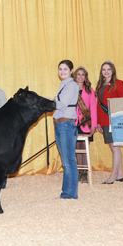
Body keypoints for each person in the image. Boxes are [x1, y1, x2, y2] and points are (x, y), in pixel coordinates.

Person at [47, 60, 79, 199]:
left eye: (65, 69)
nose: (62, 71)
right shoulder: (64, 85)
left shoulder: (71, 85)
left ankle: (70, 194)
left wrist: (48, 101)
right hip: (60, 124)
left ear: (71, 71)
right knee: (66, 161)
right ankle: (67, 192)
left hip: (66, 125)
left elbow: (61, 105)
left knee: (68, 161)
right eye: (60, 69)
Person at [95, 60, 123, 184]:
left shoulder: (119, 83)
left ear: (112, 71)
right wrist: (98, 122)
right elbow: (99, 105)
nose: (106, 71)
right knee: (115, 147)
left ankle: (113, 176)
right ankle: (121, 175)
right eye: (104, 69)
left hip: (114, 119)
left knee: (115, 147)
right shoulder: (101, 84)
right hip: (104, 120)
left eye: (108, 69)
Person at [73, 66, 97, 183]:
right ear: (75, 76)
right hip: (74, 123)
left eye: (83, 74)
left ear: (85, 76)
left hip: (86, 123)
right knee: (77, 148)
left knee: (84, 148)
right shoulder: (71, 89)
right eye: (78, 74)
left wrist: (94, 125)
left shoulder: (89, 90)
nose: (81, 77)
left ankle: (85, 173)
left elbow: (93, 108)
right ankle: (79, 172)